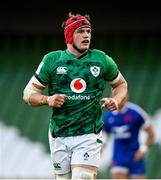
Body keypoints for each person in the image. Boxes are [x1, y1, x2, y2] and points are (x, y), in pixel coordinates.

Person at [22, 12, 128, 180]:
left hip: (89, 134)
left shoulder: (101, 59)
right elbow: (28, 94)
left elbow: (121, 84)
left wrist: (116, 99)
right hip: (59, 133)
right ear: (70, 35)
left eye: (89, 31)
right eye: (81, 31)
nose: (86, 35)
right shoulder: (52, 60)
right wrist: (47, 99)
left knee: (82, 177)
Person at [102, 101, 154, 179]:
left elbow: (151, 134)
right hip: (118, 157)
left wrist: (143, 150)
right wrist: (100, 149)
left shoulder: (136, 112)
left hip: (135, 156)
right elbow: (104, 137)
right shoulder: (108, 116)